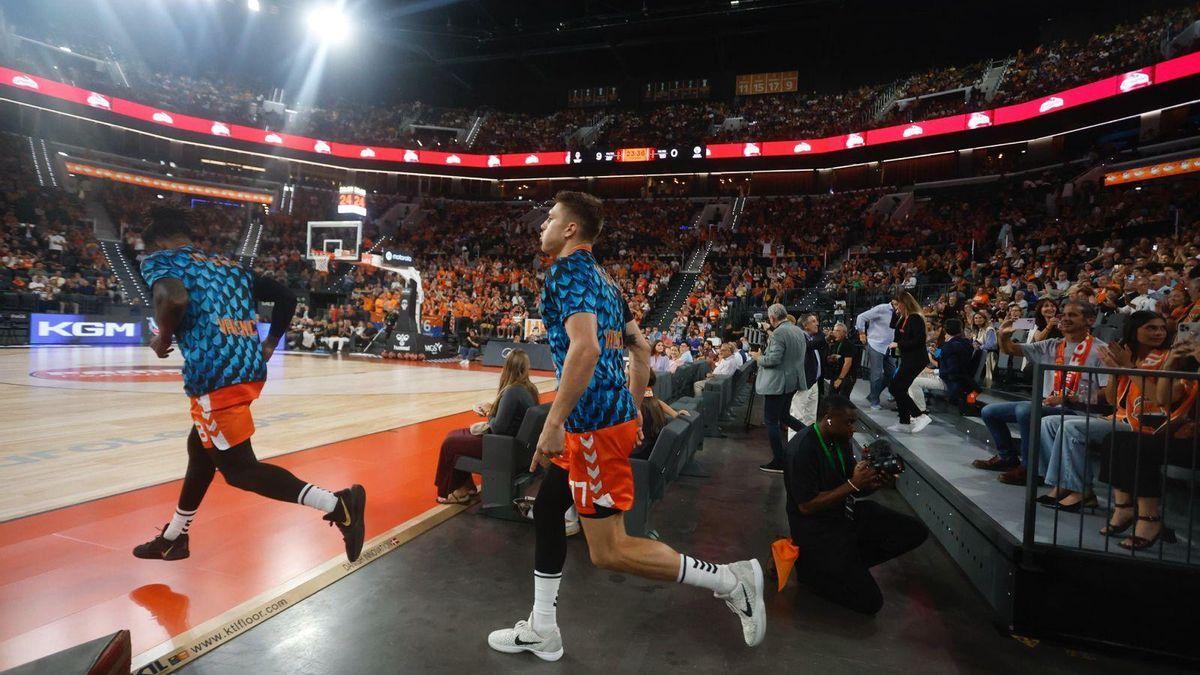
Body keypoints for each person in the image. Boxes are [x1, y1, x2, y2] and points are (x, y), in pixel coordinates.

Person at [487, 192, 765, 662]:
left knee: (609, 551)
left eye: (550, 219)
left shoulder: (566, 273)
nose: (543, 226)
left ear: (571, 229)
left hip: (590, 425)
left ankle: (729, 581)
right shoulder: (607, 283)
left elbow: (587, 350)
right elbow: (639, 348)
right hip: (602, 419)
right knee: (552, 506)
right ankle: (542, 628)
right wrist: (633, 407)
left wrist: (554, 422)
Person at [132, 207, 366, 563]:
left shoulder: (162, 261)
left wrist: (163, 339)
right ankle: (174, 538)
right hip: (249, 368)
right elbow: (286, 297)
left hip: (214, 375)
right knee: (200, 450)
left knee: (240, 470)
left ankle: (338, 504)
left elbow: (174, 298)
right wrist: (270, 342)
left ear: (159, 242)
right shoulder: (228, 265)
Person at [783, 395, 928, 615]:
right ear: (829, 419)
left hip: (843, 517)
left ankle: (846, 565)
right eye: (849, 422)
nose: (853, 429)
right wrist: (853, 484)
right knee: (870, 602)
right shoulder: (803, 448)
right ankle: (814, 572)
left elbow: (853, 485)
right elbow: (806, 506)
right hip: (816, 531)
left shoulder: (840, 440)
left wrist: (875, 483)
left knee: (914, 531)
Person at [1036, 311, 1168, 511]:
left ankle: (1081, 491)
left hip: (1146, 425)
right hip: (1119, 417)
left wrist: (1127, 368)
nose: (1158, 332)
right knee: (1049, 422)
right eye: (1151, 327)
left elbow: (1158, 399)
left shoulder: (1167, 358)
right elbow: (1112, 399)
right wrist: (1114, 370)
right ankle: (1062, 484)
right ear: (1134, 331)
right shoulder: (1128, 353)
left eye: (1162, 328)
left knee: (1072, 428)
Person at [974, 301, 1108, 486]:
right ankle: (1008, 458)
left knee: (1025, 411)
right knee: (989, 411)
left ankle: (1032, 469)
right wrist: (1003, 336)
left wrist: (1069, 398)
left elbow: (1108, 392)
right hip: (1051, 405)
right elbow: (1010, 349)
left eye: (1073, 315)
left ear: (1090, 320)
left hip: (1080, 411)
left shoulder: (1101, 350)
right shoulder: (1053, 344)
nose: (1065, 318)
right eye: (1064, 315)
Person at [434, 349, 540, 504]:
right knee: (456, 436)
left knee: (450, 442)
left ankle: (452, 490)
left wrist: (489, 412)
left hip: (501, 446)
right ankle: (466, 487)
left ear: (507, 367)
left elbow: (498, 428)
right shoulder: (529, 389)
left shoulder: (512, 391)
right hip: (517, 447)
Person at [752, 303, 807, 473]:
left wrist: (758, 358)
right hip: (792, 381)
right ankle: (812, 435)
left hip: (778, 384)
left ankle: (779, 461)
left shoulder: (779, 333)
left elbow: (773, 360)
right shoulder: (797, 330)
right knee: (784, 416)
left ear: (772, 318)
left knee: (771, 421)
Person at [887, 292, 932, 434]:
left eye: (897, 304)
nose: (895, 307)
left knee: (896, 388)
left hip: (916, 359)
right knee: (898, 388)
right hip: (908, 358)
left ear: (904, 303)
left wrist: (899, 345)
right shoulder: (903, 318)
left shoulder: (915, 318)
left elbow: (919, 340)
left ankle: (920, 416)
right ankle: (904, 421)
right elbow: (894, 328)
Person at [638, 371, 691, 459]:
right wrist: (675, 413)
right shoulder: (651, 401)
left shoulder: (636, 405)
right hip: (651, 450)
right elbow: (654, 399)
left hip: (640, 455)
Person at [855, 301, 897, 411]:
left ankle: (872, 395)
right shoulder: (881, 309)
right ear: (894, 301)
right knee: (877, 374)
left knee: (891, 373)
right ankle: (874, 401)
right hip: (875, 344)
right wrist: (861, 333)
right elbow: (861, 317)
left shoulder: (900, 311)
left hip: (890, 346)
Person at [792, 313, 827, 429]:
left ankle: (806, 443)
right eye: (813, 321)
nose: (817, 323)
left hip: (813, 381)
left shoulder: (810, 338)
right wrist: (824, 336)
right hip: (803, 382)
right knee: (798, 416)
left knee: (810, 417)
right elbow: (810, 346)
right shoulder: (799, 337)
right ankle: (794, 445)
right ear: (804, 325)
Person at [825, 322, 859, 398]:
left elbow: (848, 363)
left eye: (838, 331)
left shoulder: (848, 344)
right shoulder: (835, 343)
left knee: (843, 398)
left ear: (844, 333)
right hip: (836, 373)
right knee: (832, 397)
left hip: (847, 376)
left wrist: (840, 379)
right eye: (834, 330)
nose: (835, 332)